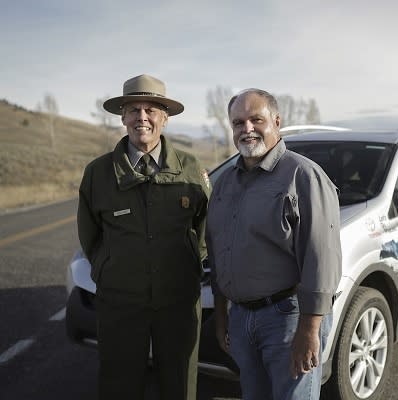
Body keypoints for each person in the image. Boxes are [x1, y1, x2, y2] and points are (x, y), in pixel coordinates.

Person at [77, 74, 210, 400]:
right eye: (134, 109)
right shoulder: (97, 173)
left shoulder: (191, 167)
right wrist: (110, 270)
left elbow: (206, 228)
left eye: (151, 109)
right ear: (122, 117)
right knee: (118, 383)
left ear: (164, 117)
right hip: (120, 301)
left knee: (179, 383)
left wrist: (193, 267)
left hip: (178, 300)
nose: (142, 117)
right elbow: (90, 236)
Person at [206, 88, 342, 400]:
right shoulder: (226, 183)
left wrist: (309, 330)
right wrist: (223, 314)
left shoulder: (304, 176)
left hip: (289, 318)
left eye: (256, 119)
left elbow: (321, 259)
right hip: (241, 318)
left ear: (276, 121)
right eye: (238, 122)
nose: (247, 129)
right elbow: (217, 247)